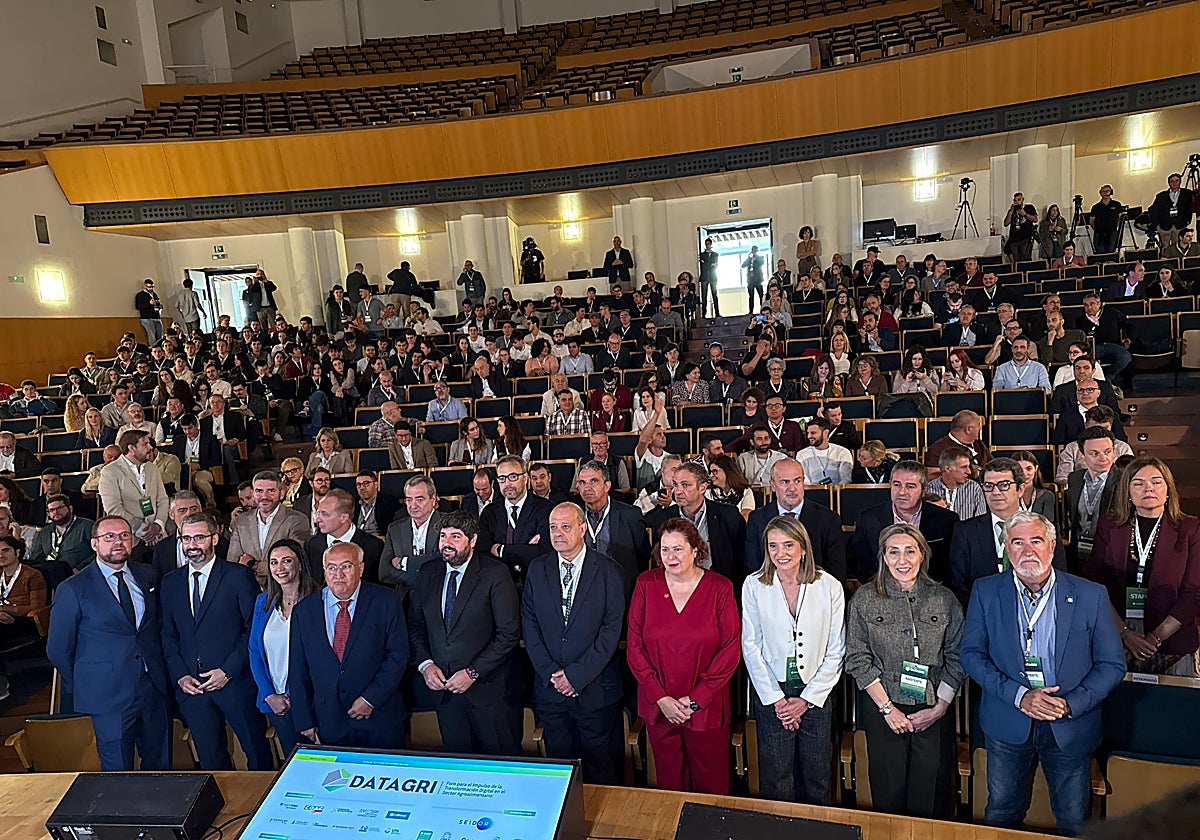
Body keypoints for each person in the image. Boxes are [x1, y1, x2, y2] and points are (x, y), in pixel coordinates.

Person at [961, 511, 1126, 836]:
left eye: (1036, 541)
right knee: (1001, 810)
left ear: (1051, 545)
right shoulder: (986, 591)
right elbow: (971, 654)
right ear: (1007, 548)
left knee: (1073, 816)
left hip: (1069, 724)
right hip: (1007, 721)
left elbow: (1112, 665)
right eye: (1017, 542)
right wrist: (1019, 696)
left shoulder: (1090, 595)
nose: (1027, 550)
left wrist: (1069, 704)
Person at [845, 524, 964, 817]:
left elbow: (958, 656)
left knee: (931, 796)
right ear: (883, 557)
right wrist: (888, 709)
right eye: (893, 552)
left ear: (922, 555)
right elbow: (857, 658)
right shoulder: (865, 598)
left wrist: (939, 708)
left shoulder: (944, 598)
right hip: (882, 708)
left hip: (933, 706)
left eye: (910, 551)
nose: (902, 560)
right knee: (888, 795)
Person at [47, 516, 171, 771]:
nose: (118, 542)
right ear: (94, 544)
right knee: (117, 771)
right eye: (109, 537)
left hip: (152, 686)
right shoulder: (72, 589)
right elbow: (58, 648)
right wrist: (87, 682)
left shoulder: (147, 575)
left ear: (133, 541)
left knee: (160, 765)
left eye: (124, 535)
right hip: (106, 695)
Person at [627, 517, 741, 793]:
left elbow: (730, 649)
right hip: (660, 705)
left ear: (695, 550)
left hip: (706, 707)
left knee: (711, 784)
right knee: (669, 784)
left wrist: (695, 700)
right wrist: (661, 698)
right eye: (664, 549)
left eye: (678, 549)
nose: (670, 556)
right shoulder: (646, 584)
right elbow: (634, 646)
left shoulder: (719, 587)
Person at [741, 515, 844, 803]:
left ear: (803, 548)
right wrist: (777, 700)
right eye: (773, 546)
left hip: (816, 695)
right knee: (776, 777)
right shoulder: (753, 585)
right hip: (772, 694)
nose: (780, 553)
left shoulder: (829, 586)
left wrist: (807, 700)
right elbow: (750, 646)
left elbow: (836, 650)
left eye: (788, 545)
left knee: (817, 776)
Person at [521, 503, 626, 783]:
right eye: (553, 527)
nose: (558, 533)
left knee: (601, 768)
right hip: (551, 691)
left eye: (565, 527)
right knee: (560, 769)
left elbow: (611, 630)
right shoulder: (537, 568)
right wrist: (552, 674)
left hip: (595, 692)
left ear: (582, 529)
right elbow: (529, 624)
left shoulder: (608, 570)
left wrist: (576, 676)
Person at [160, 512, 273, 770]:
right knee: (211, 761)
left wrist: (228, 671)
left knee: (257, 754)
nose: (192, 545)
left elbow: (253, 631)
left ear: (214, 538)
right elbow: (167, 634)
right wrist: (180, 675)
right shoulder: (170, 583)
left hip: (235, 684)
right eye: (186, 538)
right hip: (193, 688)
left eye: (199, 537)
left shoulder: (237, 576)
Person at [410, 509, 523, 755]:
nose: (446, 544)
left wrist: (473, 672)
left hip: (489, 693)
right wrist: (426, 665)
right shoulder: (428, 573)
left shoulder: (495, 573)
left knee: (502, 765)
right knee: (460, 767)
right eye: (443, 536)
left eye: (455, 537)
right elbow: (416, 628)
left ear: (472, 541)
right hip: (445, 694)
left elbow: (508, 634)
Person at [290, 540, 409, 748]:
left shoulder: (386, 600)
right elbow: (298, 668)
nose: (338, 574)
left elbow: (398, 656)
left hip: (380, 718)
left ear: (360, 568)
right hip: (330, 722)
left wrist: (371, 699)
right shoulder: (304, 610)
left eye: (346, 566)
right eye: (332, 567)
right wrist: (304, 720)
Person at [949, 458, 1068, 604]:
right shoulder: (965, 531)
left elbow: (1059, 579)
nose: (995, 492)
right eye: (989, 486)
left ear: (1020, 489)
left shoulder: (1045, 528)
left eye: (1004, 485)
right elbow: (958, 585)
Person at [248, 539, 318, 754]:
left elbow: (316, 657)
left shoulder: (318, 600)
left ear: (300, 564)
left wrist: (292, 695)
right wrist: (269, 695)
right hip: (275, 702)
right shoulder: (263, 602)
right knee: (292, 761)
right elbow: (254, 651)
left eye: (287, 561)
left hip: (310, 700)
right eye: (274, 562)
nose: (280, 568)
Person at [850, 460, 960, 582]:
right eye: (897, 485)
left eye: (910, 486)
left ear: (924, 490)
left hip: (931, 591)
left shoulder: (946, 520)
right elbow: (860, 564)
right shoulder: (868, 519)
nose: (902, 492)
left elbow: (951, 566)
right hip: (881, 591)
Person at [227, 471, 311, 587]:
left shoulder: (297, 520)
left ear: (281, 493)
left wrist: (254, 565)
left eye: (271, 491)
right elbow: (233, 562)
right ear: (253, 493)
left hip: (284, 590)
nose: (264, 497)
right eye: (259, 491)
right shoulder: (242, 521)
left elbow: (293, 562)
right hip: (247, 588)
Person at [478, 456, 553, 581]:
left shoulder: (545, 508)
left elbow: (545, 551)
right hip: (498, 582)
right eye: (502, 478)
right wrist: (526, 549)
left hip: (535, 580)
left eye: (513, 477)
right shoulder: (489, 512)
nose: (507, 484)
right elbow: (483, 553)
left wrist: (501, 550)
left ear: (525, 478)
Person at [99, 430, 170, 552]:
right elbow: (114, 508)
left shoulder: (152, 468)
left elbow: (163, 499)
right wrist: (143, 530)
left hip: (157, 536)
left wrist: (158, 524)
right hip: (130, 539)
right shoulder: (110, 472)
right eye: (145, 444)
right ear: (131, 448)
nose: (150, 447)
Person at [1064, 428, 1120, 570]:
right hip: (1079, 552)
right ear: (1082, 454)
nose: (1103, 458)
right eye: (1095, 453)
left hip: (1111, 555)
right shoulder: (1075, 479)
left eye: (1107, 452)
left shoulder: (1124, 480)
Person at [380, 475, 442, 601]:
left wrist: (404, 562)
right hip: (406, 599)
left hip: (438, 595)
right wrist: (419, 580)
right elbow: (384, 572)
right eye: (409, 500)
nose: (413, 506)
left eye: (419, 500)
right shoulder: (395, 529)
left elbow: (442, 561)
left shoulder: (447, 524)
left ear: (433, 499)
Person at [305, 490, 384, 585]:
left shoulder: (373, 546)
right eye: (318, 513)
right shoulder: (312, 545)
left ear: (344, 518)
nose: (318, 519)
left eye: (325, 514)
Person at [27, 494, 93, 573]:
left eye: (59, 508)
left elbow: (99, 553)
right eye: (51, 510)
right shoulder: (45, 531)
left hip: (79, 574)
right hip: (50, 574)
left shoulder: (87, 526)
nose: (56, 512)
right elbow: (36, 556)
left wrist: (81, 568)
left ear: (70, 508)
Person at [927, 446, 987, 521]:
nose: (969, 472)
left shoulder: (974, 488)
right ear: (948, 469)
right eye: (963, 467)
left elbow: (981, 522)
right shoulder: (929, 489)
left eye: (968, 467)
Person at [925, 410, 990, 472]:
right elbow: (931, 475)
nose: (980, 428)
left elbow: (992, 465)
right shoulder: (939, 448)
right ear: (968, 429)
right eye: (978, 425)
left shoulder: (979, 444)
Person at [1148, 173, 1195, 254]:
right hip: (1164, 227)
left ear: (1180, 182)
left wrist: (1186, 221)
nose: (1174, 183)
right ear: (1168, 183)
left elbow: (1190, 208)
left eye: (1177, 181)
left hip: (1180, 226)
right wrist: (1157, 224)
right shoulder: (1161, 196)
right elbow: (1153, 210)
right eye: (1172, 181)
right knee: (1165, 248)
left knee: (1177, 248)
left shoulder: (1187, 194)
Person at [797, 418, 853, 485]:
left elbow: (846, 479)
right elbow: (803, 479)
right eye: (808, 433)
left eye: (813, 433)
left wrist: (832, 491)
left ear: (825, 433)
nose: (809, 436)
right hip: (812, 493)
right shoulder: (802, 454)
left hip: (838, 493)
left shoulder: (842, 452)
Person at [707, 455, 755, 520]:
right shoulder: (708, 493)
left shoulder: (745, 491)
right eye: (710, 472)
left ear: (727, 471)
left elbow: (746, 516)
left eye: (715, 471)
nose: (711, 476)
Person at [1088, 185, 1123, 255]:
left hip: (1112, 233)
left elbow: (1119, 218)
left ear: (1111, 192)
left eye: (1107, 191)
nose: (1105, 193)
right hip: (1099, 234)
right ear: (1100, 193)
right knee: (1100, 254)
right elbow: (1091, 221)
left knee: (1112, 253)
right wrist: (1098, 229)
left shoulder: (1117, 204)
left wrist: (1114, 226)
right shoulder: (1096, 207)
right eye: (1103, 191)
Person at [134, 278, 164, 346]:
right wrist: (149, 303)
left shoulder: (154, 294)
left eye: (152, 287)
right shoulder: (140, 295)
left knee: (160, 336)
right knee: (152, 337)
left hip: (157, 316)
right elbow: (138, 306)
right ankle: (154, 351)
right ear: (145, 286)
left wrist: (159, 306)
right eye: (149, 287)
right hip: (147, 318)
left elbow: (157, 302)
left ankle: (160, 350)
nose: (151, 288)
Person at [698, 237, 720, 318]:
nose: (707, 245)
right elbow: (708, 265)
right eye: (706, 244)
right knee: (704, 296)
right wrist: (710, 265)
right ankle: (704, 313)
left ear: (711, 244)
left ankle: (717, 312)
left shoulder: (715, 254)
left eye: (708, 244)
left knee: (715, 295)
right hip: (704, 277)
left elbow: (715, 265)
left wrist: (708, 264)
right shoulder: (702, 254)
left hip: (712, 276)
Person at [743, 245, 766, 312]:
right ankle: (751, 311)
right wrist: (748, 258)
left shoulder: (760, 258)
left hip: (758, 280)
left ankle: (762, 309)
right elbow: (743, 265)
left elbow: (762, 263)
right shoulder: (749, 259)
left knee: (761, 296)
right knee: (751, 296)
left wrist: (755, 258)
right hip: (750, 281)